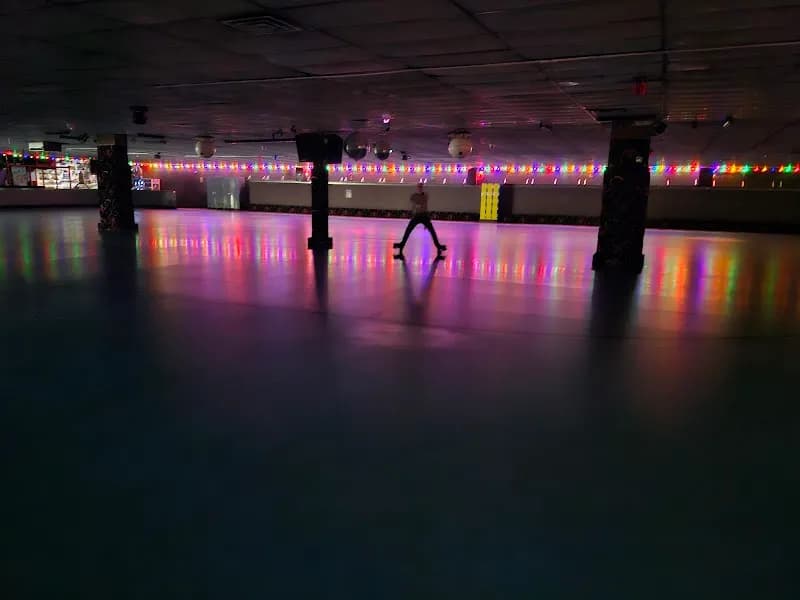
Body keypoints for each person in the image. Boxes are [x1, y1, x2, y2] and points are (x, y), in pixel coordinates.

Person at [393, 182, 447, 258]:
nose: (420, 188)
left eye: (421, 187)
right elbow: (413, 206)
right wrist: (412, 213)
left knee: (432, 231)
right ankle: (401, 245)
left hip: (424, 216)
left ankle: (438, 246)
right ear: (417, 187)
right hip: (417, 216)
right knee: (408, 230)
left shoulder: (425, 196)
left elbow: (424, 206)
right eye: (419, 187)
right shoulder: (415, 196)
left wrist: (426, 219)